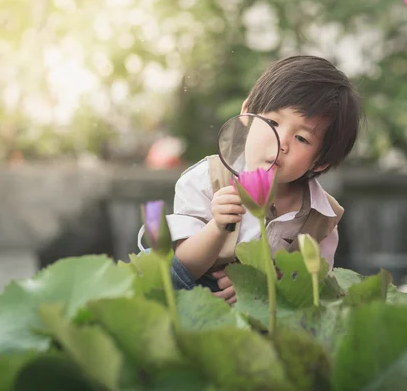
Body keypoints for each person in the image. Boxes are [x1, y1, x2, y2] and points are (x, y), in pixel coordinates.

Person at [138, 55, 361, 305]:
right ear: (246, 115)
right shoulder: (206, 179)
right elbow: (183, 265)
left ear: (320, 162)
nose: (282, 143)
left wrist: (261, 286)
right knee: (153, 262)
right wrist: (218, 226)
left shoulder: (322, 217)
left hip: (268, 312)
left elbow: (315, 288)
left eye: (301, 138)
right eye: (273, 122)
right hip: (197, 296)